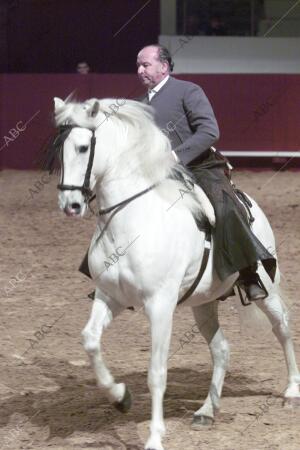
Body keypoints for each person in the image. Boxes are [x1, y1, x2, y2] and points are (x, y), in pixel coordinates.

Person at [135, 44, 276, 301]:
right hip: (158, 172)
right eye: (138, 65)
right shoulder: (140, 104)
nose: (140, 70)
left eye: (145, 64)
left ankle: (248, 274)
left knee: (226, 208)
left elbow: (209, 131)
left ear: (164, 66)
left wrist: (176, 156)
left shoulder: (188, 91)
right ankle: (117, 277)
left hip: (200, 166)